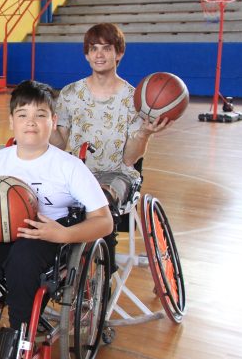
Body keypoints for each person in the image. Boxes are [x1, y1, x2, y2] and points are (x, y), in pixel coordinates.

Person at [0, 80, 113, 359]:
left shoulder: (69, 167)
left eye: (40, 114)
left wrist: (62, 234)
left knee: (23, 260)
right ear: (11, 122)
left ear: (53, 122)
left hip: (44, 237)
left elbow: (104, 221)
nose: (31, 122)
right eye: (22, 114)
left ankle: (21, 335)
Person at [50, 23, 171, 256]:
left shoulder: (134, 99)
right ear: (86, 54)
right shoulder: (69, 93)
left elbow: (130, 158)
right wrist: (48, 127)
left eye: (106, 48)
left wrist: (145, 133)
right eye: (93, 48)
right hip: (75, 172)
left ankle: (106, 261)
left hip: (115, 174)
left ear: (119, 53)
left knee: (99, 198)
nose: (99, 54)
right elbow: (59, 144)